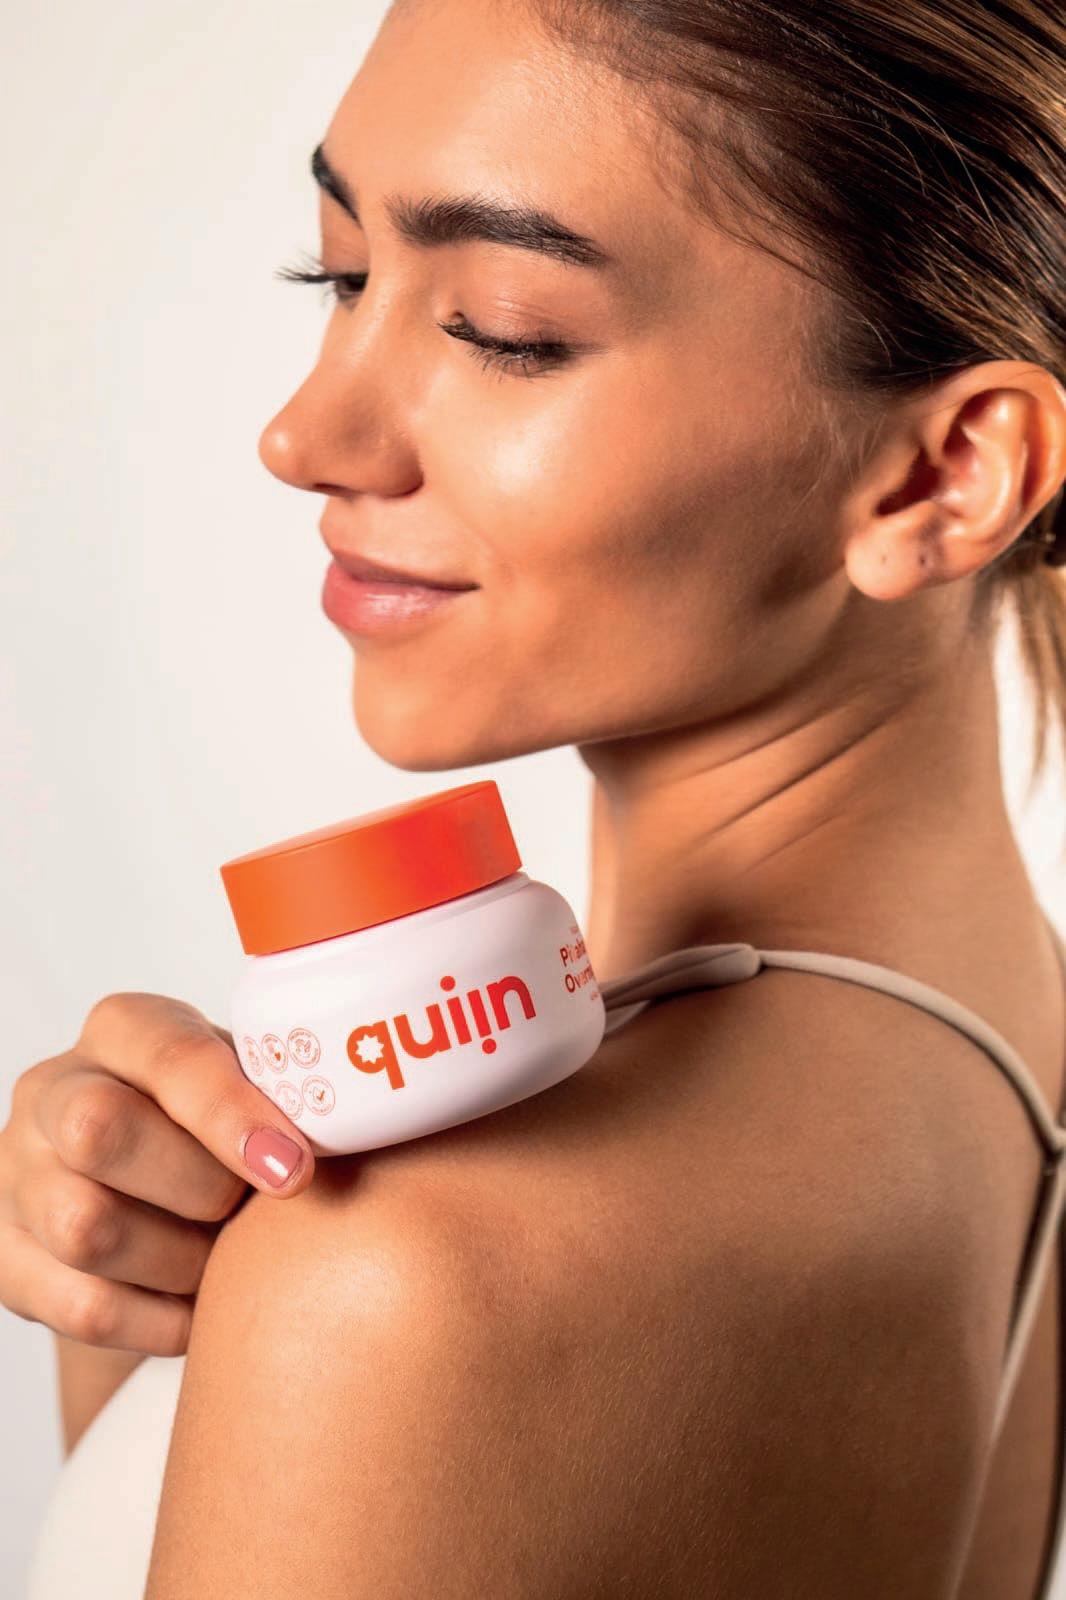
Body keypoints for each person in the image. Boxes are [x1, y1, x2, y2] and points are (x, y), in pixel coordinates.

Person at [5, 0, 1066, 1593]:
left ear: (943, 474)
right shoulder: (1003, 1057)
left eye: (503, 330)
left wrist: (286, 1309)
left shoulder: (421, 1279)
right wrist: (142, 1314)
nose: (301, 436)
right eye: (340, 275)